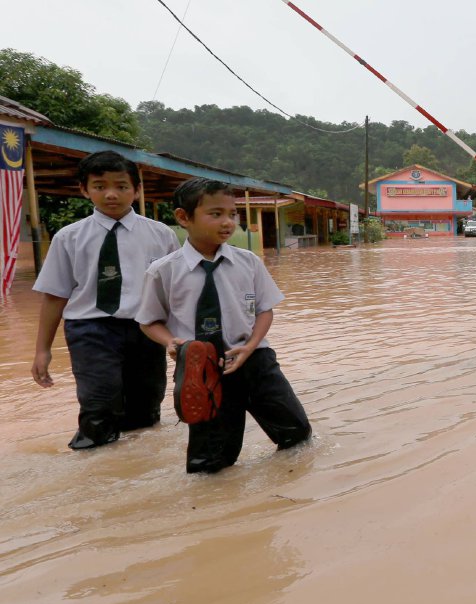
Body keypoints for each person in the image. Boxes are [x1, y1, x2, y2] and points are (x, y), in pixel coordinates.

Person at [137, 178, 311, 474]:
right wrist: (170, 342)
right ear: (183, 217)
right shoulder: (163, 271)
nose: (227, 222)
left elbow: (264, 311)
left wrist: (251, 345)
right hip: (202, 370)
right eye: (215, 214)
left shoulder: (249, 262)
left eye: (232, 214)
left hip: (255, 361)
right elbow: (149, 321)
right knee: (211, 463)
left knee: (296, 434)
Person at [30, 150, 179, 450]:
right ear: (84, 190)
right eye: (100, 186)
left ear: (136, 190)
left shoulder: (161, 235)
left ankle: (138, 476)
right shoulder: (68, 238)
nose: (111, 194)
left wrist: (178, 339)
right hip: (90, 330)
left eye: (121, 186)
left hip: (146, 330)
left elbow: (175, 294)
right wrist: (42, 350)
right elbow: (55, 296)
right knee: (98, 407)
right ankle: (91, 473)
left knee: (146, 410)